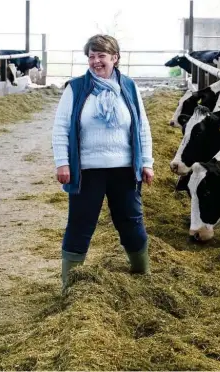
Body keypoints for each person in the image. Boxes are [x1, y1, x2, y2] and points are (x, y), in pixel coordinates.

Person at [52, 34, 154, 291]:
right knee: (80, 223)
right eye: (91, 56)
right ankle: (70, 284)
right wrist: (62, 163)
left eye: (101, 56)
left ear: (115, 58)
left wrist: (147, 162)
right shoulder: (75, 88)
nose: (96, 61)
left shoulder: (129, 87)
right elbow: (61, 128)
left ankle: (142, 272)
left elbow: (142, 127)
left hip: (124, 168)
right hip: (87, 170)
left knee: (131, 221)